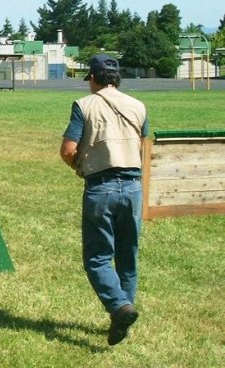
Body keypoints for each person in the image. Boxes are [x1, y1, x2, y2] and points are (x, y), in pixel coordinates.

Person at [60, 54, 149, 346]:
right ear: (117, 79)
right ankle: (123, 316)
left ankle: (119, 307)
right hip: (134, 187)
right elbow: (143, 148)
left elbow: (67, 149)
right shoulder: (138, 106)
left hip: (101, 187)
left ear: (93, 79)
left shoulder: (84, 106)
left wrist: (79, 166)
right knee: (127, 257)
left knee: (97, 259)